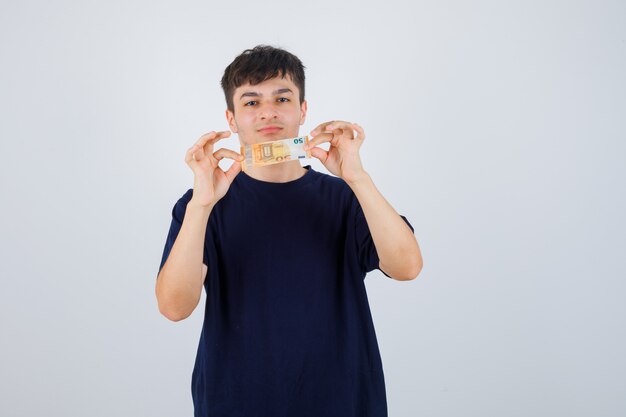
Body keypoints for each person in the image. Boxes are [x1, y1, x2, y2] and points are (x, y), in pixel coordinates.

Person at [155, 44, 423, 417]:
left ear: (303, 110)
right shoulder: (202, 204)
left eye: (282, 98)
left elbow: (407, 267)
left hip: (342, 400)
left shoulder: (346, 198)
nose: (268, 112)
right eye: (251, 102)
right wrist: (202, 205)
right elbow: (174, 307)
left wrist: (357, 178)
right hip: (235, 401)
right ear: (231, 120)